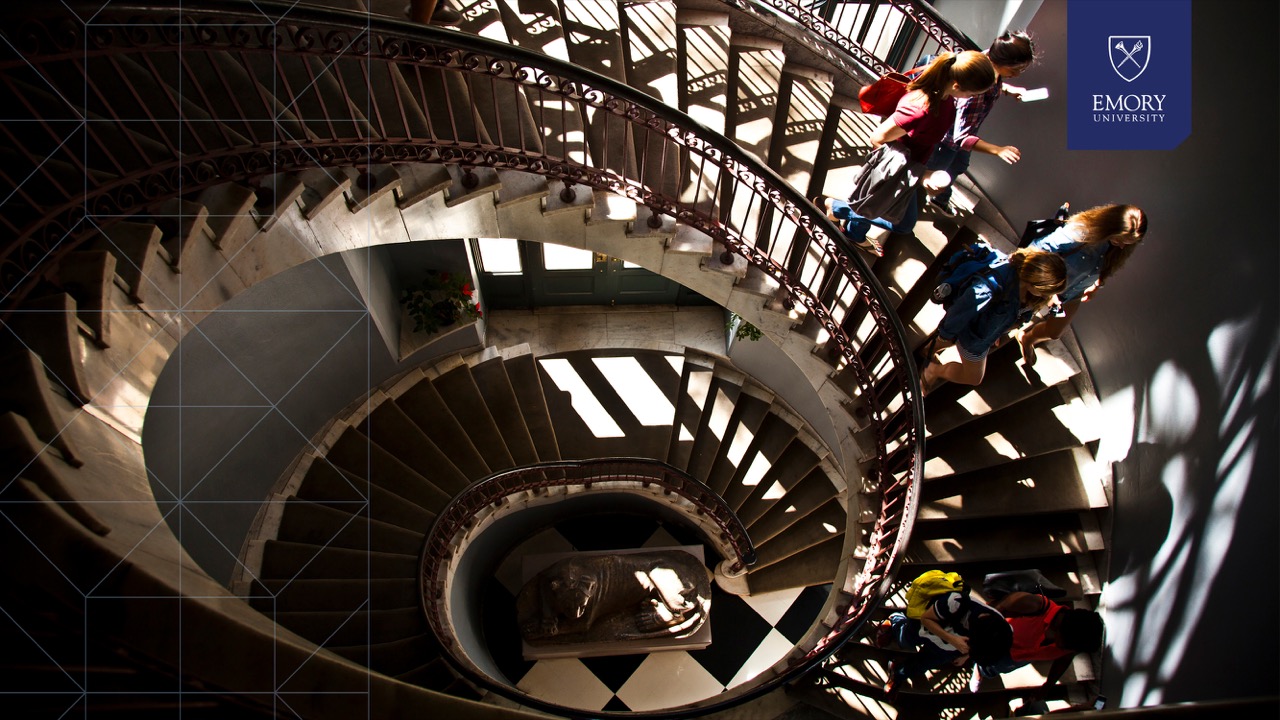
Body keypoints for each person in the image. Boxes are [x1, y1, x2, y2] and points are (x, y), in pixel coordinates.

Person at [818, 51, 997, 255]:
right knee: (903, 224)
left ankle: (853, 233)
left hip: (911, 167)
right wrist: (920, 174)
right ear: (957, 86)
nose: (972, 98)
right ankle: (838, 208)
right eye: (972, 94)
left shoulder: (944, 98)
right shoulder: (920, 108)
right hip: (898, 170)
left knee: (876, 204)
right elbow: (878, 137)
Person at [1016, 204, 1148, 365]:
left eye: (1127, 243)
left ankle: (1026, 338)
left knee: (1054, 332)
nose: (1122, 246)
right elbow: (1037, 248)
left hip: (1073, 292)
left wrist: (1097, 285)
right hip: (1048, 286)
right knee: (1015, 314)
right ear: (1110, 227)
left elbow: (1102, 268)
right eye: (1120, 240)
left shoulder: (1117, 248)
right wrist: (1050, 290)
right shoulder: (1079, 232)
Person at [926, 31, 1038, 216]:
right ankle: (906, 209)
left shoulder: (987, 59)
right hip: (947, 139)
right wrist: (998, 150)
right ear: (1003, 62)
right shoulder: (976, 94)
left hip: (958, 135)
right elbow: (961, 138)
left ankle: (940, 198)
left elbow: (995, 82)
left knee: (958, 166)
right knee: (933, 175)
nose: (1017, 74)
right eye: (1016, 69)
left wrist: (1008, 90)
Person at [922, 247, 1066, 390]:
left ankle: (929, 349)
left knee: (948, 340)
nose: (1044, 296)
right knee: (973, 377)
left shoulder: (1022, 280)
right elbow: (960, 312)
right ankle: (933, 371)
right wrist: (945, 335)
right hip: (973, 340)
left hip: (977, 329)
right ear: (1034, 282)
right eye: (1044, 292)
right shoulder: (989, 288)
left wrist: (998, 330)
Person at [881, 590, 1012, 691]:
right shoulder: (956, 602)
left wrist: (966, 655)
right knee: (905, 640)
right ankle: (896, 620)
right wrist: (952, 639)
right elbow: (926, 619)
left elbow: (983, 646)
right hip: (926, 631)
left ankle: (898, 673)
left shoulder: (1003, 632)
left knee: (921, 666)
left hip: (946, 650)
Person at [976, 590, 1104, 690]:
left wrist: (1048, 685)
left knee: (992, 668)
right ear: (1064, 632)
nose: (1066, 650)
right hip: (990, 637)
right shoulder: (1038, 606)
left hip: (1015, 657)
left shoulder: (1071, 644)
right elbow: (1003, 605)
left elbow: (1065, 658)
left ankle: (981, 669)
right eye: (1067, 646)